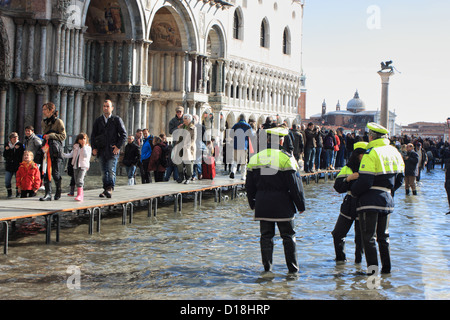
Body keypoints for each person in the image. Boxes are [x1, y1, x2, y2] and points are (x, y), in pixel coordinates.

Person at [245, 126, 306, 274]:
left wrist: (253, 203)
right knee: (288, 237)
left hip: (263, 204)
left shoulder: (255, 158)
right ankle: (292, 270)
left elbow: (249, 186)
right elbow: (295, 186)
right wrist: (301, 205)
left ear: (267, 140)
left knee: (266, 237)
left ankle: (267, 269)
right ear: (281, 140)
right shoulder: (286, 158)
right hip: (283, 204)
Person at [351, 122, 404, 274]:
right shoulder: (395, 152)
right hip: (387, 199)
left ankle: (372, 274)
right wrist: (388, 191)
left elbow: (365, 181)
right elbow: (400, 179)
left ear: (371, 136)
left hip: (369, 201)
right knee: (383, 236)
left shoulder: (371, 153)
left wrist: (354, 192)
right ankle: (386, 271)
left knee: (368, 238)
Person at [331, 141, 368, 264]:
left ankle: (358, 263)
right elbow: (338, 187)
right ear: (356, 154)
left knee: (361, 238)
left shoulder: (371, 168)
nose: (364, 157)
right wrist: (348, 179)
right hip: (349, 205)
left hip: (364, 205)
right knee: (337, 234)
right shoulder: (347, 169)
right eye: (362, 154)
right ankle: (340, 260)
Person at [91, 99, 127, 198]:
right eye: (104, 106)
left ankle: (110, 188)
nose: (105, 108)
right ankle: (105, 188)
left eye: (107, 106)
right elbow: (93, 135)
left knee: (111, 170)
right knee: (103, 172)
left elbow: (123, 134)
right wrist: (94, 148)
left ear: (112, 108)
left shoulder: (116, 120)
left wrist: (118, 146)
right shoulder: (98, 121)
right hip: (101, 150)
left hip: (112, 150)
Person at [40, 102, 66, 201]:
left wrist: (51, 135)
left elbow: (63, 136)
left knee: (55, 173)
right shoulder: (43, 122)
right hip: (46, 150)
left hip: (56, 150)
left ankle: (58, 190)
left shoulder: (58, 122)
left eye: (45, 109)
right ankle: (48, 194)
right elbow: (44, 134)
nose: (43, 111)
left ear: (51, 110)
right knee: (46, 171)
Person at [62, 133, 91, 201]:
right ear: (78, 140)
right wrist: (63, 154)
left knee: (80, 180)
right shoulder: (76, 146)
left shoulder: (88, 147)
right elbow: (71, 155)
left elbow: (85, 155)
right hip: (75, 165)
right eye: (81, 139)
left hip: (83, 165)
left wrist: (83, 146)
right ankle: (80, 193)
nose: (82, 140)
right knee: (76, 179)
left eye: (84, 139)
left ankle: (80, 195)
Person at [172, 113, 196, 184]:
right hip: (180, 147)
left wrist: (188, 146)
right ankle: (181, 176)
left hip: (188, 148)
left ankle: (188, 177)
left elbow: (193, 139)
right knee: (179, 162)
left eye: (185, 119)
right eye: (183, 118)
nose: (183, 120)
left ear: (189, 120)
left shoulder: (193, 128)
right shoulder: (182, 127)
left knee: (188, 163)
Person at [229, 114, 252, 180]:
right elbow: (252, 135)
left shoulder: (236, 125)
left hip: (236, 145)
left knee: (235, 160)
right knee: (243, 162)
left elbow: (230, 134)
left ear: (239, 119)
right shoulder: (248, 126)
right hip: (244, 146)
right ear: (245, 119)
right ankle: (243, 176)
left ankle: (233, 171)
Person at [3, 132, 25, 198]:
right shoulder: (7, 145)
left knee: (17, 180)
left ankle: (17, 193)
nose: (15, 138)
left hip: (17, 166)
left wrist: (18, 149)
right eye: (14, 137)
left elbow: (21, 155)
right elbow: (5, 155)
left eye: (16, 137)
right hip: (9, 166)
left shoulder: (20, 145)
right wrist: (7, 150)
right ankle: (9, 193)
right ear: (11, 139)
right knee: (7, 180)